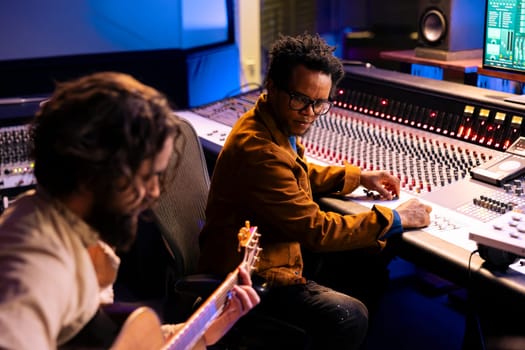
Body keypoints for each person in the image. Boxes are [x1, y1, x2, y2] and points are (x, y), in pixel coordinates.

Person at [197, 33, 433, 349]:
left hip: (272, 253)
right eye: (300, 99)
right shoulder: (260, 150)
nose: (309, 112)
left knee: (370, 258)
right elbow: (316, 230)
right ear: (273, 86)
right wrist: (394, 217)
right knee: (348, 315)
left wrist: (360, 177)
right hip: (254, 279)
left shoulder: (269, 121)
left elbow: (297, 173)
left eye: (319, 103)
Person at [0, 72, 260, 350]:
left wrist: (203, 332)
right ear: (97, 172)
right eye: (146, 177)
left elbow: (102, 341)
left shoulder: (76, 227)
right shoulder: (35, 262)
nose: (155, 193)